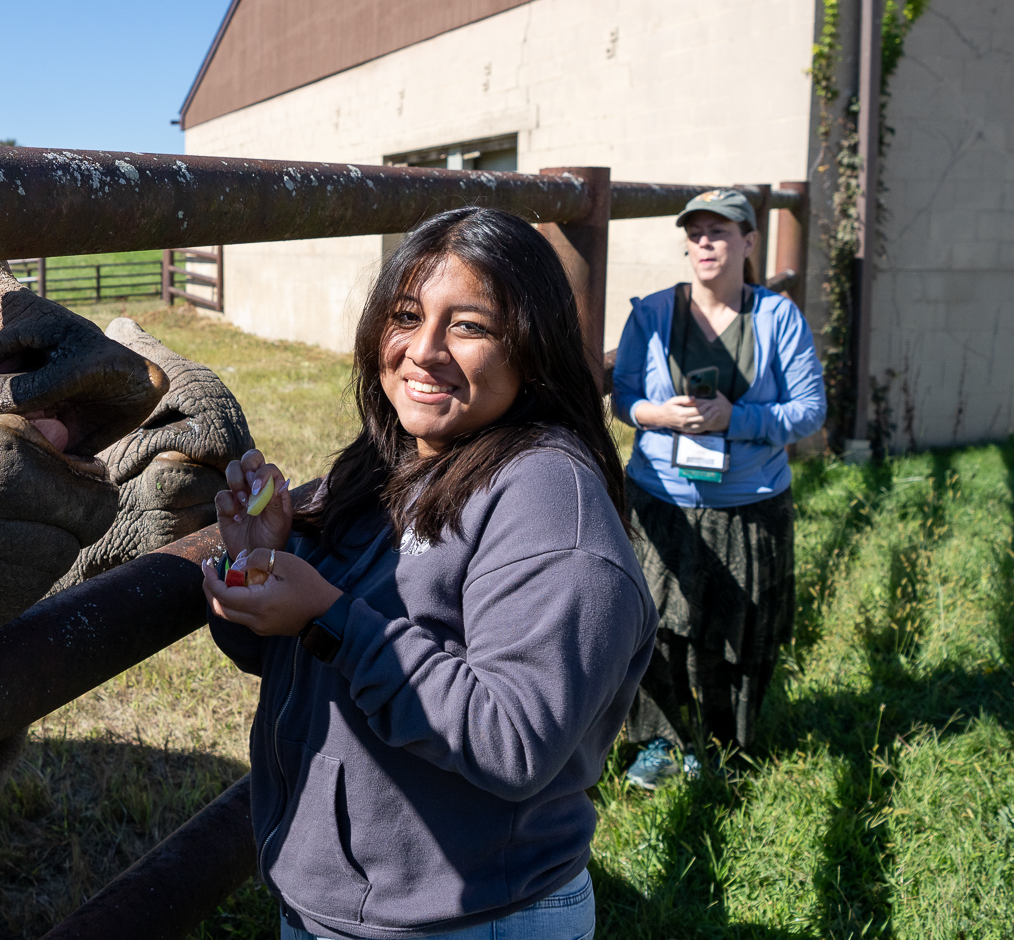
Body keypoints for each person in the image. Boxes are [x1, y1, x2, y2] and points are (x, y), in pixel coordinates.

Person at [202, 207, 658, 940]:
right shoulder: (386, 463)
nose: (423, 350)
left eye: (469, 325)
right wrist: (260, 569)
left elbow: (514, 739)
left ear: (532, 346)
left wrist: (328, 615)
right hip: (356, 905)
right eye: (406, 315)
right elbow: (295, 658)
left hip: (467, 916)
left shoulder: (547, 500)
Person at [611, 188, 825, 790]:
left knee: (739, 632)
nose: (706, 242)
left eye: (721, 231)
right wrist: (662, 416)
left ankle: (722, 748)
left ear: (749, 243)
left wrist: (739, 419)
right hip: (662, 499)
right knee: (654, 626)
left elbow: (809, 410)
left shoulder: (777, 317)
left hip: (749, 504)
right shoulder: (652, 314)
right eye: (696, 231)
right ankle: (659, 743)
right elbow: (625, 398)